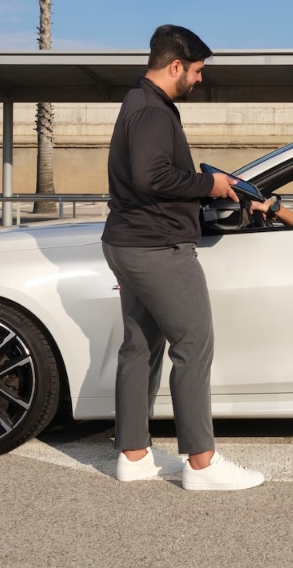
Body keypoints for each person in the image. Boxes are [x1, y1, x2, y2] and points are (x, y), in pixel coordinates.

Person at [101, 24, 264, 491]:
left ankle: (134, 456)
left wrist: (205, 183)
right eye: (196, 70)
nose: (200, 78)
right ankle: (201, 464)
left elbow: (148, 175)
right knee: (193, 345)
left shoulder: (138, 102)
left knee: (140, 347)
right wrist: (209, 184)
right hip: (158, 246)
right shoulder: (152, 111)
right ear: (175, 66)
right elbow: (152, 177)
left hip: (130, 241)